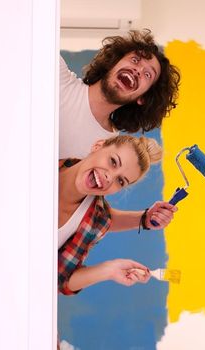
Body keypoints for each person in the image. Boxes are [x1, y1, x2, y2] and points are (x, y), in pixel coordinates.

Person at [59, 28, 181, 234]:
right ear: (113, 62)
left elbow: (88, 214)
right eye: (135, 60)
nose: (138, 70)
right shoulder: (57, 76)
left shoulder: (110, 148)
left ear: (142, 97)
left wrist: (144, 218)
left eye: (147, 74)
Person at [58, 135, 166, 295]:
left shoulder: (93, 222)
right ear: (98, 146)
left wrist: (109, 270)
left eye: (120, 181)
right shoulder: (36, 158)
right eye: (113, 161)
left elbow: (60, 280)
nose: (110, 177)